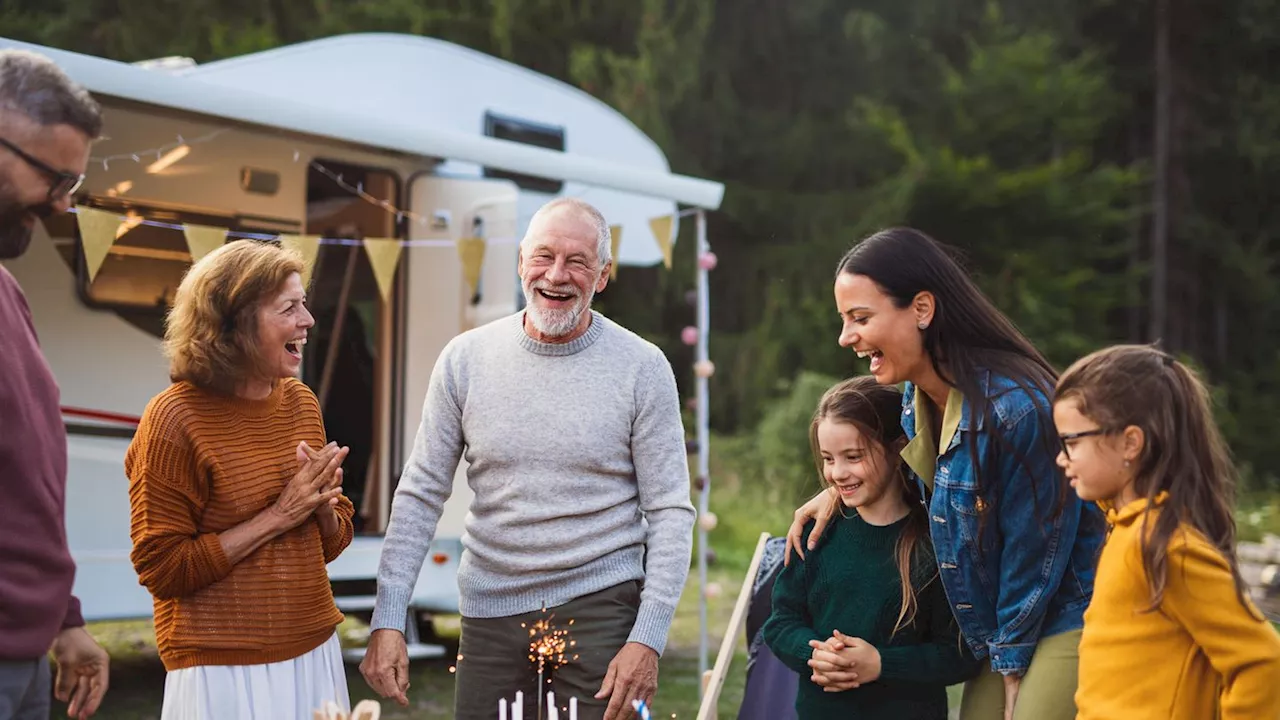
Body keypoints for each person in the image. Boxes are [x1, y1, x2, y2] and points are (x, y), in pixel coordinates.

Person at [360, 197, 695, 720]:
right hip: (489, 611)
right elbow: (421, 491)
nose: (556, 276)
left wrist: (647, 638)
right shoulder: (465, 360)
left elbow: (672, 511)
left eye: (578, 261)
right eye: (543, 257)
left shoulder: (643, 367)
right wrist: (388, 616)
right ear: (520, 261)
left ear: (603, 275)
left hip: (601, 605)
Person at [785, 228, 1106, 720]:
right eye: (844, 320)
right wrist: (835, 495)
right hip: (1002, 624)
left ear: (921, 309)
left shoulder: (1017, 411)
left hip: (1061, 611)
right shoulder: (915, 403)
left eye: (860, 318)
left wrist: (1014, 670)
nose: (846, 337)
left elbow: (1034, 556)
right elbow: (900, 472)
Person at [126, 240, 356, 719]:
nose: (308, 320)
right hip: (221, 669)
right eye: (289, 308)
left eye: (304, 304)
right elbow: (162, 569)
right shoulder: (174, 419)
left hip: (314, 649)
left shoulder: (300, 402)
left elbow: (330, 543)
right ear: (234, 323)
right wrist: (279, 515)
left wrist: (319, 508)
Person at [1054, 345, 1280, 719]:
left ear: (1130, 442)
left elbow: (1262, 662)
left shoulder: (1164, 544)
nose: (1061, 457)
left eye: (1071, 442)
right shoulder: (1124, 531)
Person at [0, 48, 110, 720]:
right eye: (56, 176)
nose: (66, 204)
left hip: (26, 655)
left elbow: (27, 479)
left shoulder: (8, 292)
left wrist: (64, 618)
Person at [764, 376, 979, 719]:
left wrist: (881, 663)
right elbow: (780, 622)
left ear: (897, 449)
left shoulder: (937, 542)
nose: (837, 473)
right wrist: (814, 653)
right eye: (828, 459)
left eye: (853, 456)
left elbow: (961, 653)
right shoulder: (816, 534)